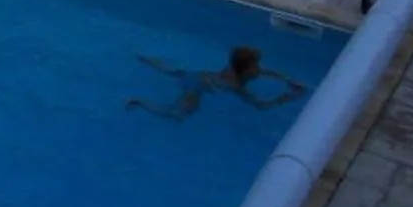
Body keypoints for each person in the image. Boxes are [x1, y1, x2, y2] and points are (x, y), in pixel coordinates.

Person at [126, 45, 305, 120]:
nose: (259, 68)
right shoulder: (235, 85)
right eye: (255, 65)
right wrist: (285, 99)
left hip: (198, 75)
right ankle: (139, 102)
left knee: (174, 72)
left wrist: (289, 81)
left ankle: (146, 58)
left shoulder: (238, 68)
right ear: (245, 70)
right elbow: (260, 105)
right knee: (178, 115)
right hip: (195, 87)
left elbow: (270, 72)